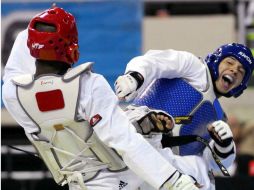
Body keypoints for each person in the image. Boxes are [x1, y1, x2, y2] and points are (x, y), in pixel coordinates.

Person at [2, 6, 199, 190]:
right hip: (121, 180)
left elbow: (16, 64)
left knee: (127, 122)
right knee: (129, 129)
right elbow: (125, 141)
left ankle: (139, 124)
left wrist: (39, 34)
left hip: (78, 184)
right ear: (72, 48)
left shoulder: (14, 95)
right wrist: (174, 182)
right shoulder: (87, 85)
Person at [114, 43, 254, 189]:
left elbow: (215, 165)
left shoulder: (218, 118)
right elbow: (154, 61)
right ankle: (147, 123)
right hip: (134, 135)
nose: (234, 70)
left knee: (206, 180)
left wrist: (224, 146)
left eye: (241, 71)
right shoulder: (193, 68)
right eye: (230, 62)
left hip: (160, 164)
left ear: (241, 85)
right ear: (216, 61)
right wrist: (134, 76)